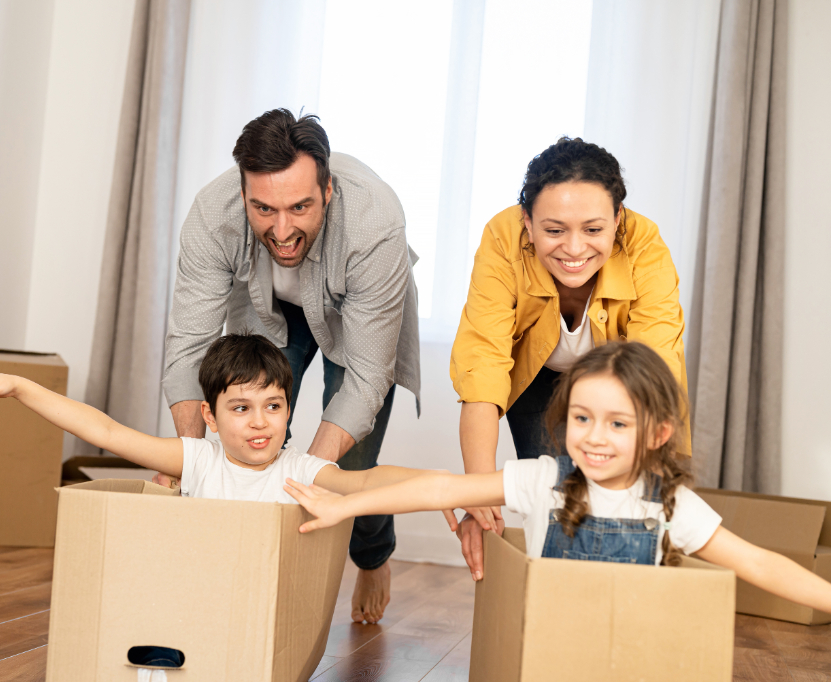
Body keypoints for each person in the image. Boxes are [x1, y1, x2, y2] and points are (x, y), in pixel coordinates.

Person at [285, 342, 831, 616]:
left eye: (618, 424)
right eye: (582, 418)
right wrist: (346, 507)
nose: (595, 437)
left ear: (659, 432)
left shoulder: (669, 506)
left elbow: (756, 562)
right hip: (550, 643)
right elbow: (440, 489)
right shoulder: (543, 479)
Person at [161, 109, 420, 623]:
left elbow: (367, 378)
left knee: (352, 465)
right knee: (245, 441)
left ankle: (373, 556)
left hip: (355, 317)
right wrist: (186, 465)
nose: (282, 230)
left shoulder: (376, 222)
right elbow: (190, 347)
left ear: (328, 191)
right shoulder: (213, 216)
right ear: (242, 195)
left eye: (300, 206)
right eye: (263, 209)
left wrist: (306, 481)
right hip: (269, 315)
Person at [448, 136, 689, 581]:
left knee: (624, 503)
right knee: (557, 504)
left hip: (623, 385)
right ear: (527, 221)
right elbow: (482, 366)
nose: (574, 249)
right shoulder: (503, 239)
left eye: (594, 230)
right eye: (554, 230)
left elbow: (653, 372)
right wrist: (476, 495)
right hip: (534, 377)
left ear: (618, 219)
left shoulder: (645, 246)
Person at [0, 334, 429, 505]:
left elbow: (366, 484)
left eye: (273, 407)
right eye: (240, 408)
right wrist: (21, 387)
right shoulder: (196, 459)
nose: (260, 423)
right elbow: (105, 431)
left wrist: (447, 486)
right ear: (209, 417)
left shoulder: (299, 470)